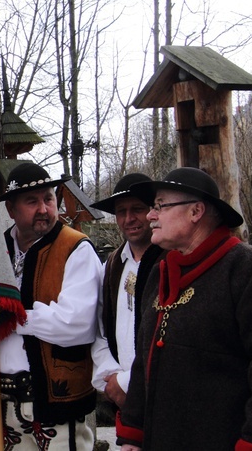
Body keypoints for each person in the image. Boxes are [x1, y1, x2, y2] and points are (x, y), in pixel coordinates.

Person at [116, 168, 252, 450]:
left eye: (160, 206)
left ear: (196, 211)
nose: (150, 215)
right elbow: (144, 358)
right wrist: (134, 430)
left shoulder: (250, 271)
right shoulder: (160, 273)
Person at [0, 162, 102, 450]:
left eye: (48, 199)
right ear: (11, 211)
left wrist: (11, 319)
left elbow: (75, 324)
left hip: (55, 402)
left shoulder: (76, 248)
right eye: (32, 201)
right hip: (1, 398)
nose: (44, 208)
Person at [89, 173, 164, 410]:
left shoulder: (171, 261)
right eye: (122, 211)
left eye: (137, 209)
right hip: (122, 397)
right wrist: (113, 378)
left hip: (163, 391)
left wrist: (128, 382)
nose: (129, 218)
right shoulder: (112, 265)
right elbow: (100, 330)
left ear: (153, 211)